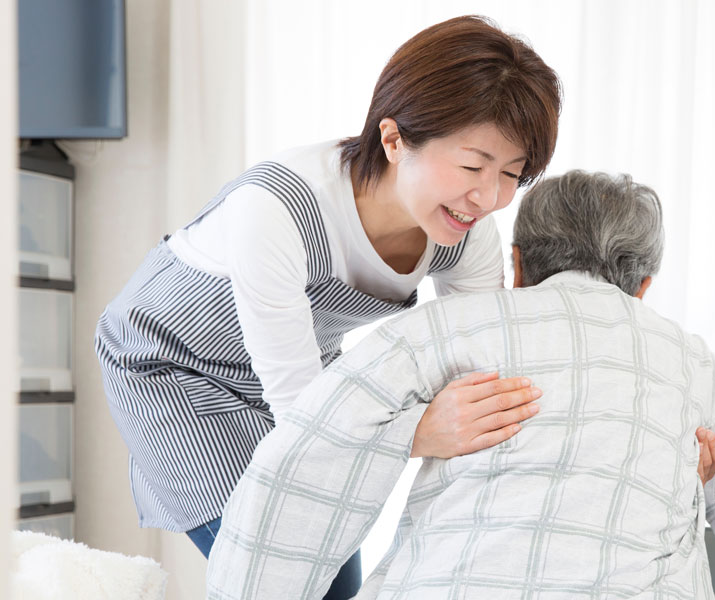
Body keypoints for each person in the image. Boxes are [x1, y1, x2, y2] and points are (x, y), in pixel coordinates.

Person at [94, 16, 561, 600]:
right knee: (288, 576)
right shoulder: (277, 208)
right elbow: (301, 415)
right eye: (472, 166)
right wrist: (413, 432)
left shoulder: (465, 232)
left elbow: (491, 366)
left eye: (511, 175)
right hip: (171, 368)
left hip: (303, 378)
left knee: (334, 573)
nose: (488, 197)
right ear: (393, 139)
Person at [206, 170, 715, 599]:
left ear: (517, 265)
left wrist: (405, 434)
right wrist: (711, 480)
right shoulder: (681, 354)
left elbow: (307, 450)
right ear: (644, 287)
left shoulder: (443, 328)